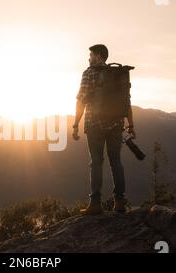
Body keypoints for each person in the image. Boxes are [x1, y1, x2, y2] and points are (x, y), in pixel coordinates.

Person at [73, 44, 136, 215]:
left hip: (94, 124)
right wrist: (131, 126)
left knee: (96, 162)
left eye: (91, 55)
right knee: (116, 161)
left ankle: (95, 203)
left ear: (100, 56)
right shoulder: (117, 74)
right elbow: (126, 102)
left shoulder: (89, 73)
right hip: (116, 124)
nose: (89, 58)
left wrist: (75, 124)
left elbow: (81, 101)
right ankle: (120, 201)